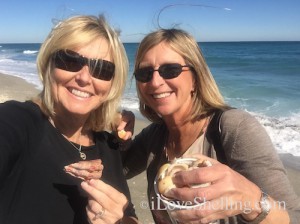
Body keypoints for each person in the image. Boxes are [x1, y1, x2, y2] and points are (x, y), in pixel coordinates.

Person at [117, 29, 300, 223]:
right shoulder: (154, 136)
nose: (155, 82)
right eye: (144, 73)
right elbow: (119, 170)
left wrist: (253, 200)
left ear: (195, 78)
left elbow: (293, 216)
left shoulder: (235, 128)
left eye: (170, 70)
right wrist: (119, 137)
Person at [0, 15, 138, 224]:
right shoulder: (18, 121)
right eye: (70, 60)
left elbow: (130, 214)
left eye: (101, 69)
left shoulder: (108, 145)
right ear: (48, 65)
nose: (84, 78)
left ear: (111, 83)